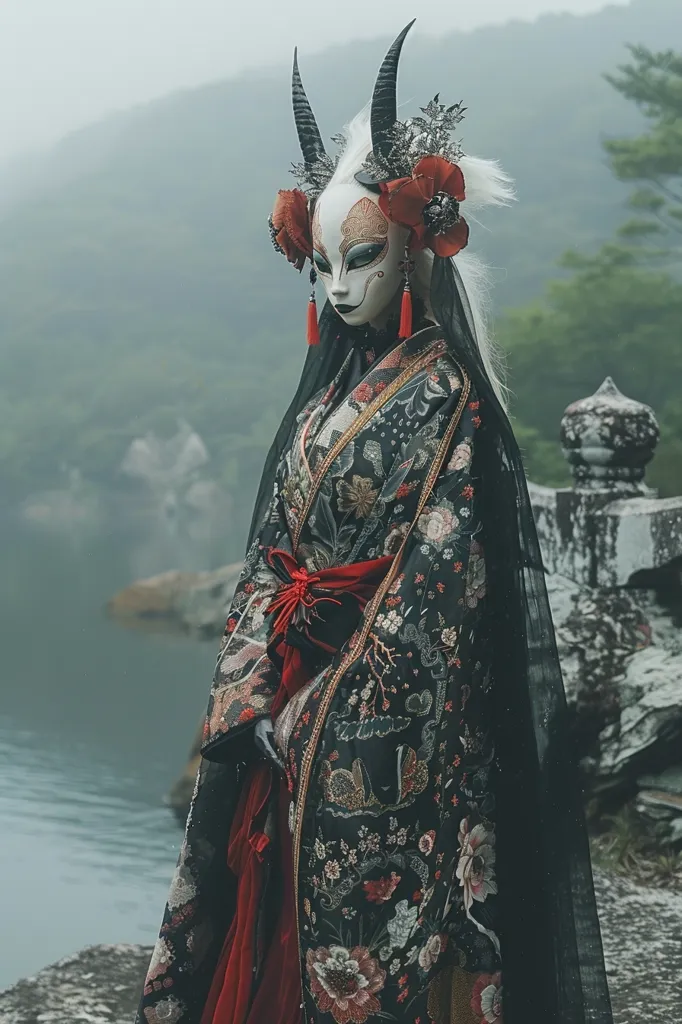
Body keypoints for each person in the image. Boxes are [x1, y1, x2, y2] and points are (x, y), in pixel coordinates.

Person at [136, 22, 613, 1024]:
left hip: (377, 717)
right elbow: (272, 553)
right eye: (322, 267)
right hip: (289, 691)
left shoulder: (447, 400)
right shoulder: (320, 403)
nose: (340, 287)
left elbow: (437, 589)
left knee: (384, 938)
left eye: (360, 259)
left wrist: (325, 707)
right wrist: (254, 686)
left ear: (412, 247)